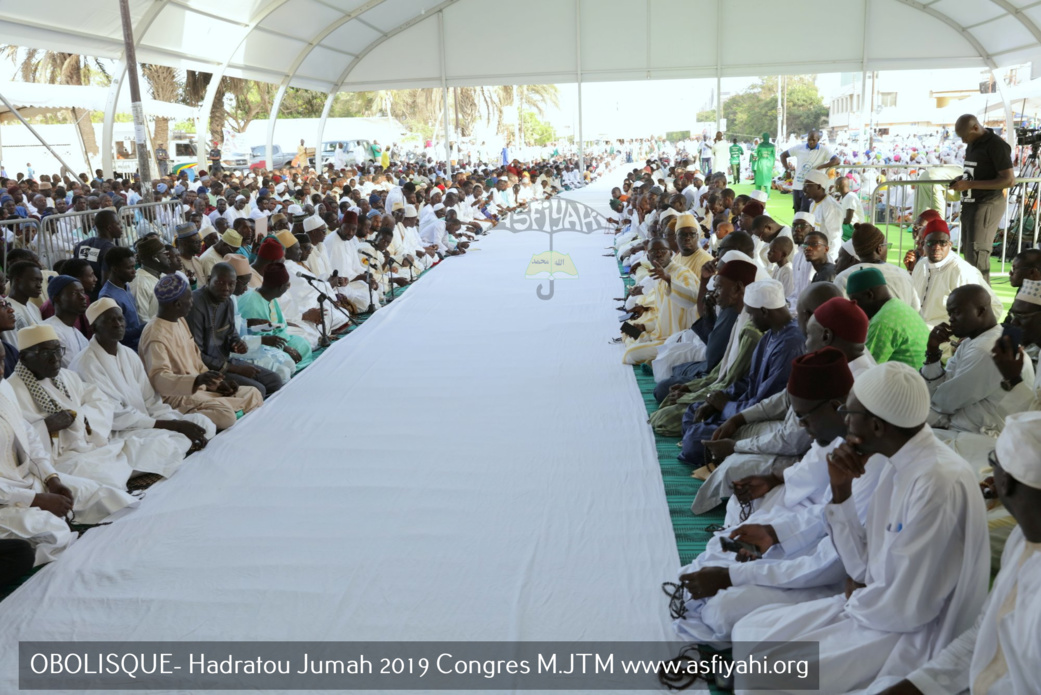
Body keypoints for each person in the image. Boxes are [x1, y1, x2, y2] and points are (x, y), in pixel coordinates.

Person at [731, 361, 989, 693]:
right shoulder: (896, 461)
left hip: (910, 633)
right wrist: (841, 492)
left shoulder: (936, 483)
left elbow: (910, 608)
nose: (844, 418)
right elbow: (864, 566)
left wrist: (856, 598)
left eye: (848, 411)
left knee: (761, 679)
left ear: (877, 427)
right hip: (875, 608)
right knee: (749, 631)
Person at [674, 348, 880, 645]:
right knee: (733, 546)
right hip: (818, 541)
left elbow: (829, 563)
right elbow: (826, 509)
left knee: (724, 611)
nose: (804, 430)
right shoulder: (850, 439)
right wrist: (774, 532)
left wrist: (732, 577)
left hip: (843, 584)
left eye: (804, 419)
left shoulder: (872, 465)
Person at [882, 410, 1041, 695]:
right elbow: (984, 632)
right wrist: (917, 686)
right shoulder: (1023, 538)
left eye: (993, 462)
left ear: (1005, 481)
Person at [0, 340, 137, 565]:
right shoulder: (14, 385)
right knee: (55, 532)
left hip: (28, 479)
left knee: (106, 496)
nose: (0, 370)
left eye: (2, 360)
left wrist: (51, 479)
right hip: (6, 499)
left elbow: (28, 437)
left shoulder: (2, 388)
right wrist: (35, 499)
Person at [9, 325, 188, 489]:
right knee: (102, 478)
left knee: (160, 445)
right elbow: (11, 441)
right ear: (24, 357)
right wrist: (46, 427)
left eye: (58, 350)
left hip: (90, 445)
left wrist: (81, 417)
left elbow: (100, 401)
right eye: (45, 353)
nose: (55, 359)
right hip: (58, 460)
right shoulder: (10, 392)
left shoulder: (66, 376)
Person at [679, 279, 805, 470]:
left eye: (751, 313)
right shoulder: (771, 335)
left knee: (694, 439)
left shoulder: (791, 344)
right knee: (692, 412)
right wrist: (718, 400)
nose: (750, 319)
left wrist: (727, 408)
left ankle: (711, 451)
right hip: (743, 407)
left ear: (764, 311)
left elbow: (767, 403)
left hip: (762, 418)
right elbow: (749, 380)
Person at [70, 298, 213, 451]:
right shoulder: (87, 364)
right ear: (94, 328)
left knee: (203, 423)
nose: (118, 324)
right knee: (169, 442)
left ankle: (183, 446)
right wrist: (172, 426)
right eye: (110, 320)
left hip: (146, 420)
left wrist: (171, 420)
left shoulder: (127, 353)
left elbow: (150, 399)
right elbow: (112, 415)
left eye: (120, 319)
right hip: (117, 431)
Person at [138, 273, 263, 432]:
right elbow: (159, 380)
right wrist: (197, 381)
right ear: (177, 304)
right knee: (226, 415)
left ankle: (229, 410)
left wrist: (215, 384)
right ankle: (188, 417)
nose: (192, 303)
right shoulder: (155, 334)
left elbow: (196, 360)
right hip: (178, 397)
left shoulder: (179, 320)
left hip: (200, 390)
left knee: (253, 393)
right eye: (189, 299)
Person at [922, 285, 1031, 438]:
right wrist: (933, 351)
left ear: (980, 311)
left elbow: (942, 402)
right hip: (960, 427)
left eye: (956, 312)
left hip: (982, 438)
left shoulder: (986, 349)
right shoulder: (972, 342)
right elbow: (939, 392)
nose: (951, 319)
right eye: (949, 313)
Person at [186, 262, 283, 399]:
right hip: (206, 370)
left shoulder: (228, 301)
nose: (226, 288)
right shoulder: (196, 305)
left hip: (226, 362)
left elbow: (231, 333)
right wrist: (236, 369)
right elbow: (197, 356)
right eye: (220, 282)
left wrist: (237, 343)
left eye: (231, 284)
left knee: (275, 380)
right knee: (258, 390)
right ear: (208, 280)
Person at [950, 114, 1014, 281]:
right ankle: (974, 298)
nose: (963, 141)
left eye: (965, 136)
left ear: (976, 128)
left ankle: (984, 302)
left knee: (978, 257)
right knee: (970, 255)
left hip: (987, 204)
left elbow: (1008, 180)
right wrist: (963, 181)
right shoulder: (973, 144)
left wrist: (970, 185)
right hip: (971, 204)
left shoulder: (997, 145)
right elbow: (979, 172)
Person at [912, 218, 1003, 328]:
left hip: (946, 337)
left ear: (950, 244)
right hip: (918, 329)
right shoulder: (921, 265)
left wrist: (966, 337)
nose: (937, 247)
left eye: (942, 243)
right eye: (931, 242)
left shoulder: (960, 270)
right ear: (922, 244)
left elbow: (995, 308)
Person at [621, 239, 699, 365]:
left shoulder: (683, 272)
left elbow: (692, 299)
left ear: (671, 253)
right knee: (627, 328)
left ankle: (660, 355)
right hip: (661, 334)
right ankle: (645, 339)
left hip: (679, 338)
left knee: (630, 354)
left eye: (663, 250)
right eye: (653, 252)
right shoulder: (658, 276)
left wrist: (669, 280)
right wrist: (645, 326)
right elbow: (661, 313)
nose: (658, 254)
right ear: (648, 256)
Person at [845, 267, 930, 368]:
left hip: (912, 381)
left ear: (869, 295)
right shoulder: (897, 306)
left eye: (855, 301)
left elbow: (866, 368)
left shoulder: (883, 321)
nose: (855, 307)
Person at [237, 262, 314, 369]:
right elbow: (257, 338)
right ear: (282, 287)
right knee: (286, 360)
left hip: (277, 339)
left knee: (303, 343)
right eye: (288, 284)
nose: (288, 287)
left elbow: (279, 326)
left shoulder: (268, 296)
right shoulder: (252, 304)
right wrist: (284, 347)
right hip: (259, 347)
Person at [835, 223, 921, 312]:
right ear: (879, 248)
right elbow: (916, 311)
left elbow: (840, 313)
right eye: (886, 245)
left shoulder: (844, 277)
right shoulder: (902, 274)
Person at [97, 247, 145, 350]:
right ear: (115, 269)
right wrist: (146, 327)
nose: (134, 271)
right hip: (126, 349)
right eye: (129, 268)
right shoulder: (108, 297)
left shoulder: (126, 286)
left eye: (134, 267)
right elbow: (117, 333)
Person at [780, 130, 839, 213]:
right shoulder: (799, 148)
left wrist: (821, 166)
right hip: (797, 185)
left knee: (806, 212)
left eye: (813, 140)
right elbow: (783, 155)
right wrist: (787, 169)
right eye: (809, 139)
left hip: (811, 188)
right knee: (797, 212)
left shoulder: (824, 150)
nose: (811, 142)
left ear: (818, 140)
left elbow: (837, 160)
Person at [41, 275, 89, 367]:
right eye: (75, 293)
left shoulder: (79, 335)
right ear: (57, 299)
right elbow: (72, 368)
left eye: (82, 292)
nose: (83, 297)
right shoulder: (49, 330)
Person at [129, 236, 174, 323]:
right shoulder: (140, 284)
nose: (168, 256)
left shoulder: (163, 276)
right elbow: (141, 320)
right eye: (165, 253)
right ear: (155, 258)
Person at [72, 209, 122, 286]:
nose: (121, 226)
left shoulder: (81, 245)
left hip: (82, 292)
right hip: (100, 295)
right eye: (118, 224)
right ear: (109, 228)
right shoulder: (110, 250)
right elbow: (107, 283)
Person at [803, 170, 842, 259]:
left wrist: (831, 259)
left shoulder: (830, 206)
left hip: (826, 255)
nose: (804, 189)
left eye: (807, 186)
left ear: (819, 186)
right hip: (815, 252)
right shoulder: (813, 203)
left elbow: (835, 237)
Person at [175, 223, 207, 289]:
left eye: (200, 241)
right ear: (183, 244)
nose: (200, 245)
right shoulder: (178, 265)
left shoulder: (196, 260)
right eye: (196, 242)